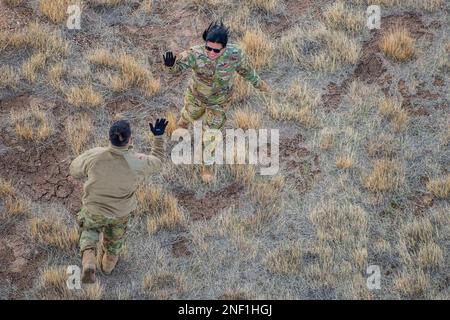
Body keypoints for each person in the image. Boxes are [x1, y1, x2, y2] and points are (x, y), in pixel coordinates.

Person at [163, 21, 269, 183]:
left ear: (224, 48)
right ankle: (183, 124)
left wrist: (259, 84)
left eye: (216, 50)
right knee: (189, 114)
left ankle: (207, 167)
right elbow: (176, 69)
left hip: (219, 103)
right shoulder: (194, 54)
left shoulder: (235, 54)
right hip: (196, 98)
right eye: (208, 48)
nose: (211, 52)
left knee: (211, 135)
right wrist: (170, 66)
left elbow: (245, 70)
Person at [69, 118, 168, 283]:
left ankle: (89, 261)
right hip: (120, 213)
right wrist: (158, 137)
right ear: (130, 139)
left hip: (94, 209)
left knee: (89, 231)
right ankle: (107, 267)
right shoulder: (138, 162)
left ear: (109, 139)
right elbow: (157, 162)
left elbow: (74, 170)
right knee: (114, 242)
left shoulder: (95, 154)